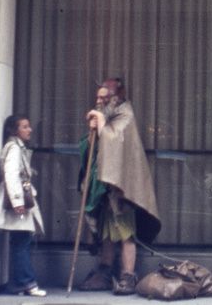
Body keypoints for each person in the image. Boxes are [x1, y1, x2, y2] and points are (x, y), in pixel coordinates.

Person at [77, 78, 161, 295]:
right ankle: (104, 271)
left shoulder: (125, 115)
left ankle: (128, 274)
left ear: (116, 98)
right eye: (98, 98)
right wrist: (92, 131)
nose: (99, 102)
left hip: (121, 191)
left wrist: (101, 123)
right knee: (106, 234)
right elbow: (92, 149)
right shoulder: (107, 116)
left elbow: (115, 142)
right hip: (104, 189)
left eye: (104, 98)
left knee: (125, 234)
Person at [0, 114, 47, 297]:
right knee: (22, 242)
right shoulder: (14, 148)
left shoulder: (15, 147)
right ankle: (28, 283)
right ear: (15, 130)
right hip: (19, 204)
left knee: (19, 242)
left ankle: (18, 285)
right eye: (25, 127)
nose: (29, 130)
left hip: (19, 201)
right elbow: (11, 175)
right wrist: (17, 202)